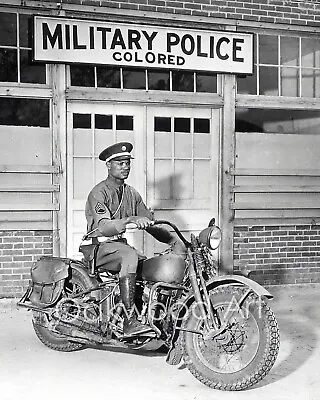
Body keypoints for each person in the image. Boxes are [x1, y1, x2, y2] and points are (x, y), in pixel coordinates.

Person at [85, 142, 185, 336]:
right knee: (130, 256)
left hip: (117, 246)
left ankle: (149, 317)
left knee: (148, 265)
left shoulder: (132, 194)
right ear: (108, 165)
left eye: (127, 163)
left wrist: (174, 241)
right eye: (120, 163)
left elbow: (150, 223)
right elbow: (104, 227)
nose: (125, 167)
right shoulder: (99, 192)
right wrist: (131, 219)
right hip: (97, 247)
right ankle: (129, 321)